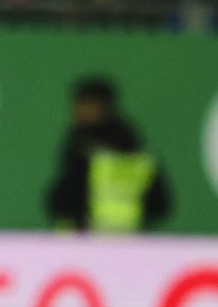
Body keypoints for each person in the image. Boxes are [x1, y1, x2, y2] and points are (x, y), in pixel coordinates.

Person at [44, 77, 173, 233]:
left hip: (103, 240)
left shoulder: (121, 149)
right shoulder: (76, 140)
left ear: (103, 106)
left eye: (86, 103)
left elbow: (159, 202)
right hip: (106, 239)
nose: (79, 110)